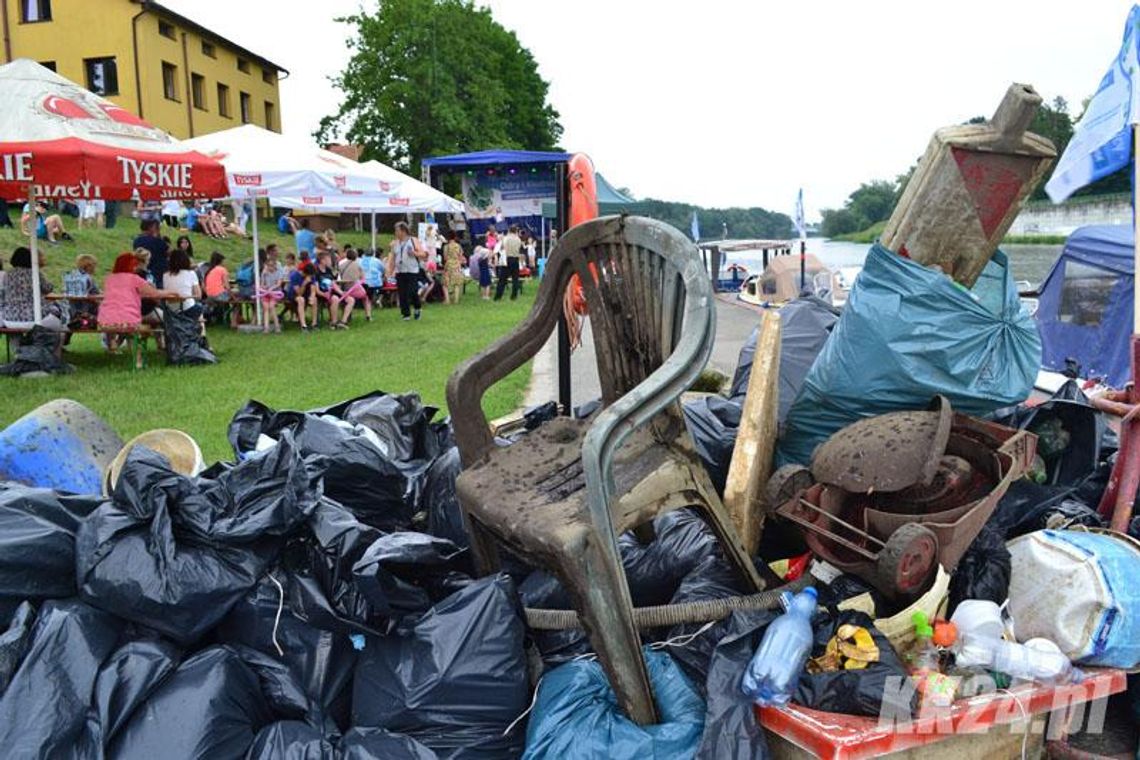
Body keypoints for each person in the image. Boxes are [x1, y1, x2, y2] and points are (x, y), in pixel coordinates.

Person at [98, 252, 177, 366]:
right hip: (128, 322)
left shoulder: (109, 279)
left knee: (131, 329)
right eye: (134, 265)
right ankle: (138, 361)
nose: (136, 267)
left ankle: (114, 345)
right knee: (144, 329)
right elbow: (153, 293)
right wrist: (170, 292)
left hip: (105, 322)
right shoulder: (134, 279)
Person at [1, 246, 64, 329]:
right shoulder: (34, 273)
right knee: (58, 318)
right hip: (34, 319)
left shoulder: (7, 274)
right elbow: (48, 288)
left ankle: (15, 342)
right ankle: (50, 341)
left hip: (10, 319)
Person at [387, 221, 426, 321]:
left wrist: (414, 253)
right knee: (402, 293)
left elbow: (424, 254)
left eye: (397, 230)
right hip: (400, 271)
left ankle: (417, 308)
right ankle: (406, 314)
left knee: (412, 291)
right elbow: (392, 258)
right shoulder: (395, 243)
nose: (395, 233)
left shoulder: (413, 240)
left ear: (403, 231)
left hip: (412, 270)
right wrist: (389, 272)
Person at [202, 252, 239, 329]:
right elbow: (227, 286)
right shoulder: (222, 270)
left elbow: (205, 286)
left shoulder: (209, 270)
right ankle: (234, 322)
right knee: (237, 300)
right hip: (219, 295)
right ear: (221, 261)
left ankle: (226, 318)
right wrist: (233, 296)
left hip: (209, 295)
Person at [63, 254, 100, 326]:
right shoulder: (87, 279)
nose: (95, 269)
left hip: (71, 312)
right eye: (94, 266)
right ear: (88, 266)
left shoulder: (70, 277)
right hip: (86, 312)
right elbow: (93, 295)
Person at [165, 247, 202, 316]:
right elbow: (198, 295)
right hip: (187, 308)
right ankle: (201, 326)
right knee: (199, 306)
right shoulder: (191, 273)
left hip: (170, 309)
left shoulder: (165, 275)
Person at [337, 247, 370, 324]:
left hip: (344, 288)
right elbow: (362, 278)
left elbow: (338, 277)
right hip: (354, 288)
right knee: (365, 297)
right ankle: (368, 315)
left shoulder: (341, 265)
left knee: (348, 299)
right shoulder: (357, 265)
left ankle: (346, 317)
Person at [132, 219, 169, 287]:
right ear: (152, 227)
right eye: (157, 227)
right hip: (158, 274)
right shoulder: (158, 242)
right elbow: (169, 252)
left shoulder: (136, 241)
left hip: (142, 272)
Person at [286, 261, 318, 332]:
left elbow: (313, 288)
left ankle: (314, 324)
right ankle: (303, 326)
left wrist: (312, 296)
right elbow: (299, 293)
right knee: (301, 300)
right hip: (294, 295)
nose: (312, 277)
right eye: (311, 275)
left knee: (315, 299)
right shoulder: (294, 275)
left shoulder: (311, 276)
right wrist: (304, 283)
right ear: (306, 273)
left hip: (306, 294)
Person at [494, 225, 523, 301]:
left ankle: (498, 296)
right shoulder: (518, 239)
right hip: (515, 259)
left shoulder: (506, 238)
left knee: (502, 279)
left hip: (507, 259)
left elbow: (502, 247)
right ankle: (514, 296)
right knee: (515, 279)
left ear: (509, 230)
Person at [258, 254, 285, 333]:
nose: (270, 267)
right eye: (268, 266)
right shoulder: (264, 273)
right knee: (266, 307)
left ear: (275, 265)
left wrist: (271, 288)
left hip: (275, 293)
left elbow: (279, 284)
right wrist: (264, 287)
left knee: (272, 306)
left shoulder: (278, 273)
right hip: (266, 294)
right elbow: (262, 284)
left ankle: (277, 326)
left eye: (271, 266)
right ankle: (266, 328)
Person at [442, 230, 465, 305]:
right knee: (456, 283)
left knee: (445, 283)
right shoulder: (458, 246)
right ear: (455, 237)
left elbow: (445, 258)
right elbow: (461, 256)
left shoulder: (446, 246)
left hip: (449, 265)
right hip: (457, 265)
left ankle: (447, 300)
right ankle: (456, 300)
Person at [472, 235, 493, 300]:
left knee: (482, 284)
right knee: (487, 284)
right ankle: (487, 296)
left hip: (481, 271)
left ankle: (483, 295)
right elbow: (490, 253)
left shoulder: (477, 252)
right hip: (486, 271)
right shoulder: (484, 254)